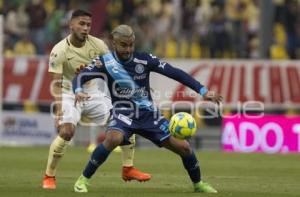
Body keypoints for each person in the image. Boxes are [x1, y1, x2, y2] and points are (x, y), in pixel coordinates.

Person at [72, 24, 222, 193]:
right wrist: (78, 90)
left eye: (131, 45)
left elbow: (175, 73)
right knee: (113, 139)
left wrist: (203, 90)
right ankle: (83, 180)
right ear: (114, 43)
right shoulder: (105, 62)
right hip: (123, 112)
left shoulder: (144, 59)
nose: (128, 49)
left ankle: (198, 184)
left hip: (149, 115)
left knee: (184, 147)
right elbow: (81, 76)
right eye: (123, 45)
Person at [42, 10, 151, 190]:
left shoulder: (99, 45)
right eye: (81, 24)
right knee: (67, 132)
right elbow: (56, 84)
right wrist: (60, 109)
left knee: (125, 120)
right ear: (71, 25)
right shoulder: (59, 50)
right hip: (70, 94)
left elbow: (114, 69)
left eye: (88, 25)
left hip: (94, 93)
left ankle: (128, 168)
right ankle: (49, 176)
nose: (85, 28)